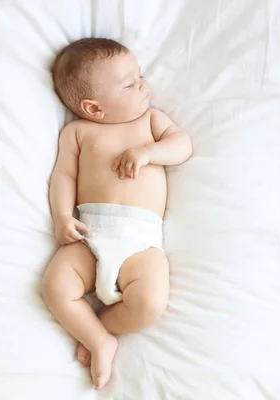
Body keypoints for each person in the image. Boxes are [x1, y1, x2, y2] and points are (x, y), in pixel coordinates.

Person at [41, 38, 193, 390]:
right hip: (90, 234)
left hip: (140, 242)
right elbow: (63, 176)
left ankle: (102, 327)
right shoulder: (78, 132)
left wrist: (149, 152)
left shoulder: (151, 122)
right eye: (130, 83)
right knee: (55, 286)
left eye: (139, 75)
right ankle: (99, 342)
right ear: (94, 109)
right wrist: (63, 217)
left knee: (150, 303)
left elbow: (182, 145)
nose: (144, 85)